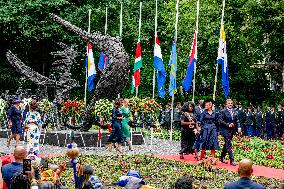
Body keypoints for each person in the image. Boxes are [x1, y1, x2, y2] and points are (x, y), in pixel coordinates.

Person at [218, 99, 240, 166]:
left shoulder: (234, 111)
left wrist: (239, 127)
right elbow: (220, 120)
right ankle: (232, 160)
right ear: (226, 104)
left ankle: (221, 157)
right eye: (229, 103)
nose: (230, 104)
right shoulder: (222, 111)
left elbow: (237, 120)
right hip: (225, 130)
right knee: (229, 144)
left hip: (232, 130)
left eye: (231, 103)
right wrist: (228, 124)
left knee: (226, 144)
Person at [198, 100, 220, 164]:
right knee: (204, 142)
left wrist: (217, 130)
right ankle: (201, 157)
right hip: (205, 129)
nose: (206, 106)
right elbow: (200, 121)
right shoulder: (203, 113)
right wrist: (200, 128)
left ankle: (213, 158)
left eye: (208, 105)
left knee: (213, 143)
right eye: (205, 105)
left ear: (211, 105)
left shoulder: (215, 112)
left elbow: (217, 121)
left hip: (213, 129)